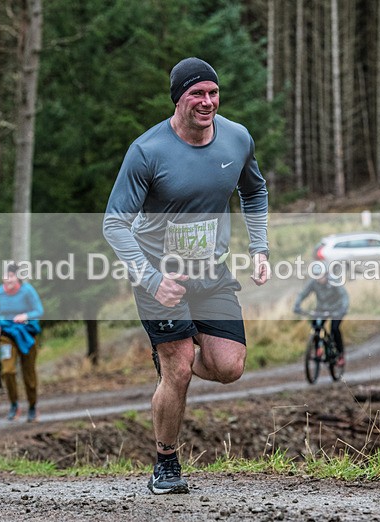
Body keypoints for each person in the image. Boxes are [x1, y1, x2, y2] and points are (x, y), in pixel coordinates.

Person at [103, 57, 270, 495]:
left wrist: (259, 248)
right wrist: (151, 277)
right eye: (197, 93)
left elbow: (255, 191)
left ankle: (170, 354)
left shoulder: (237, 138)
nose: (207, 101)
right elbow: (114, 224)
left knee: (228, 367)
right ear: (178, 98)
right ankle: (166, 462)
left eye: (213, 93)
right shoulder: (147, 151)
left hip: (210, 273)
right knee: (178, 370)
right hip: (158, 276)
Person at [0, 263, 44, 423]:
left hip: (27, 334)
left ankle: (33, 406)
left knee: (29, 374)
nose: (8, 279)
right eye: (6, 276)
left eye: (12, 276)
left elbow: (39, 311)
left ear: (17, 278)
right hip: (7, 334)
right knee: (7, 370)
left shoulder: (27, 291)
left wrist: (25, 316)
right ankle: (14, 404)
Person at [293, 264, 350, 365]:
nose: (319, 278)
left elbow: (344, 295)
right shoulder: (313, 282)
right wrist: (297, 305)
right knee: (316, 327)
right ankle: (318, 348)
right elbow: (303, 294)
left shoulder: (334, 281)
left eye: (321, 275)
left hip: (336, 309)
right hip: (321, 309)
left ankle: (340, 355)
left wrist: (344, 308)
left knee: (335, 329)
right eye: (316, 276)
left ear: (326, 274)